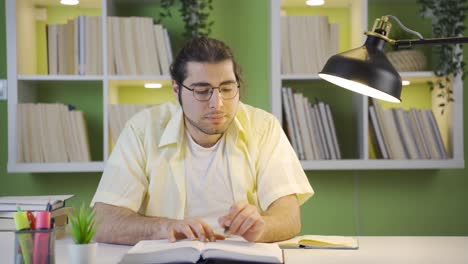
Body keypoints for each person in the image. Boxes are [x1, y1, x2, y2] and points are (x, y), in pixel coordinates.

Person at [91, 37, 314, 245]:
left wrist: (262, 227)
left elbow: (289, 217)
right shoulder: (142, 131)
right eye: (202, 91)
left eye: (227, 89)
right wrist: (165, 227)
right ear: (176, 89)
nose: (217, 103)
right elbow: (102, 221)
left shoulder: (264, 128)